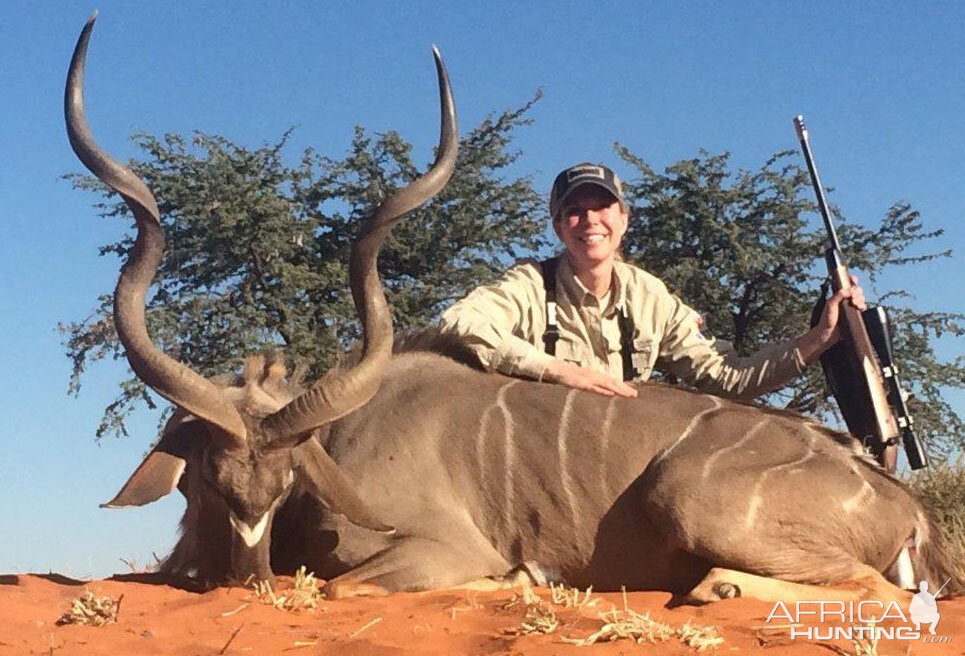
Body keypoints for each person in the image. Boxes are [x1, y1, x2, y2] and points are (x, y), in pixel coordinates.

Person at [439, 162, 865, 400]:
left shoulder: (650, 297)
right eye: (575, 211)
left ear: (624, 219)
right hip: (541, 458)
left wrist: (820, 338)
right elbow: (459, 324)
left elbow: (727, 378)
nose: (589, 221)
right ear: (557, 227)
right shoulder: (531, 283)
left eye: (602, 207)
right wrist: (556, 370)